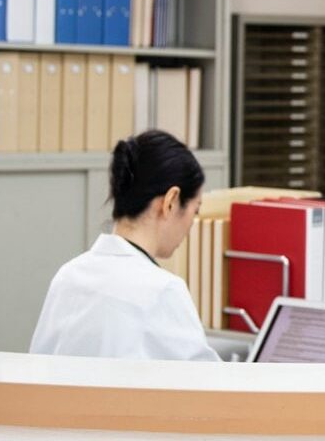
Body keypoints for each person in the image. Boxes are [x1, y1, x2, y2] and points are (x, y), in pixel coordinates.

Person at [30, 130, 219, 361]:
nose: (192, 223)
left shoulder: (67, 277)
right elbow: (207, 388)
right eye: (195, 210)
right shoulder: (163, 290)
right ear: (170, 202)